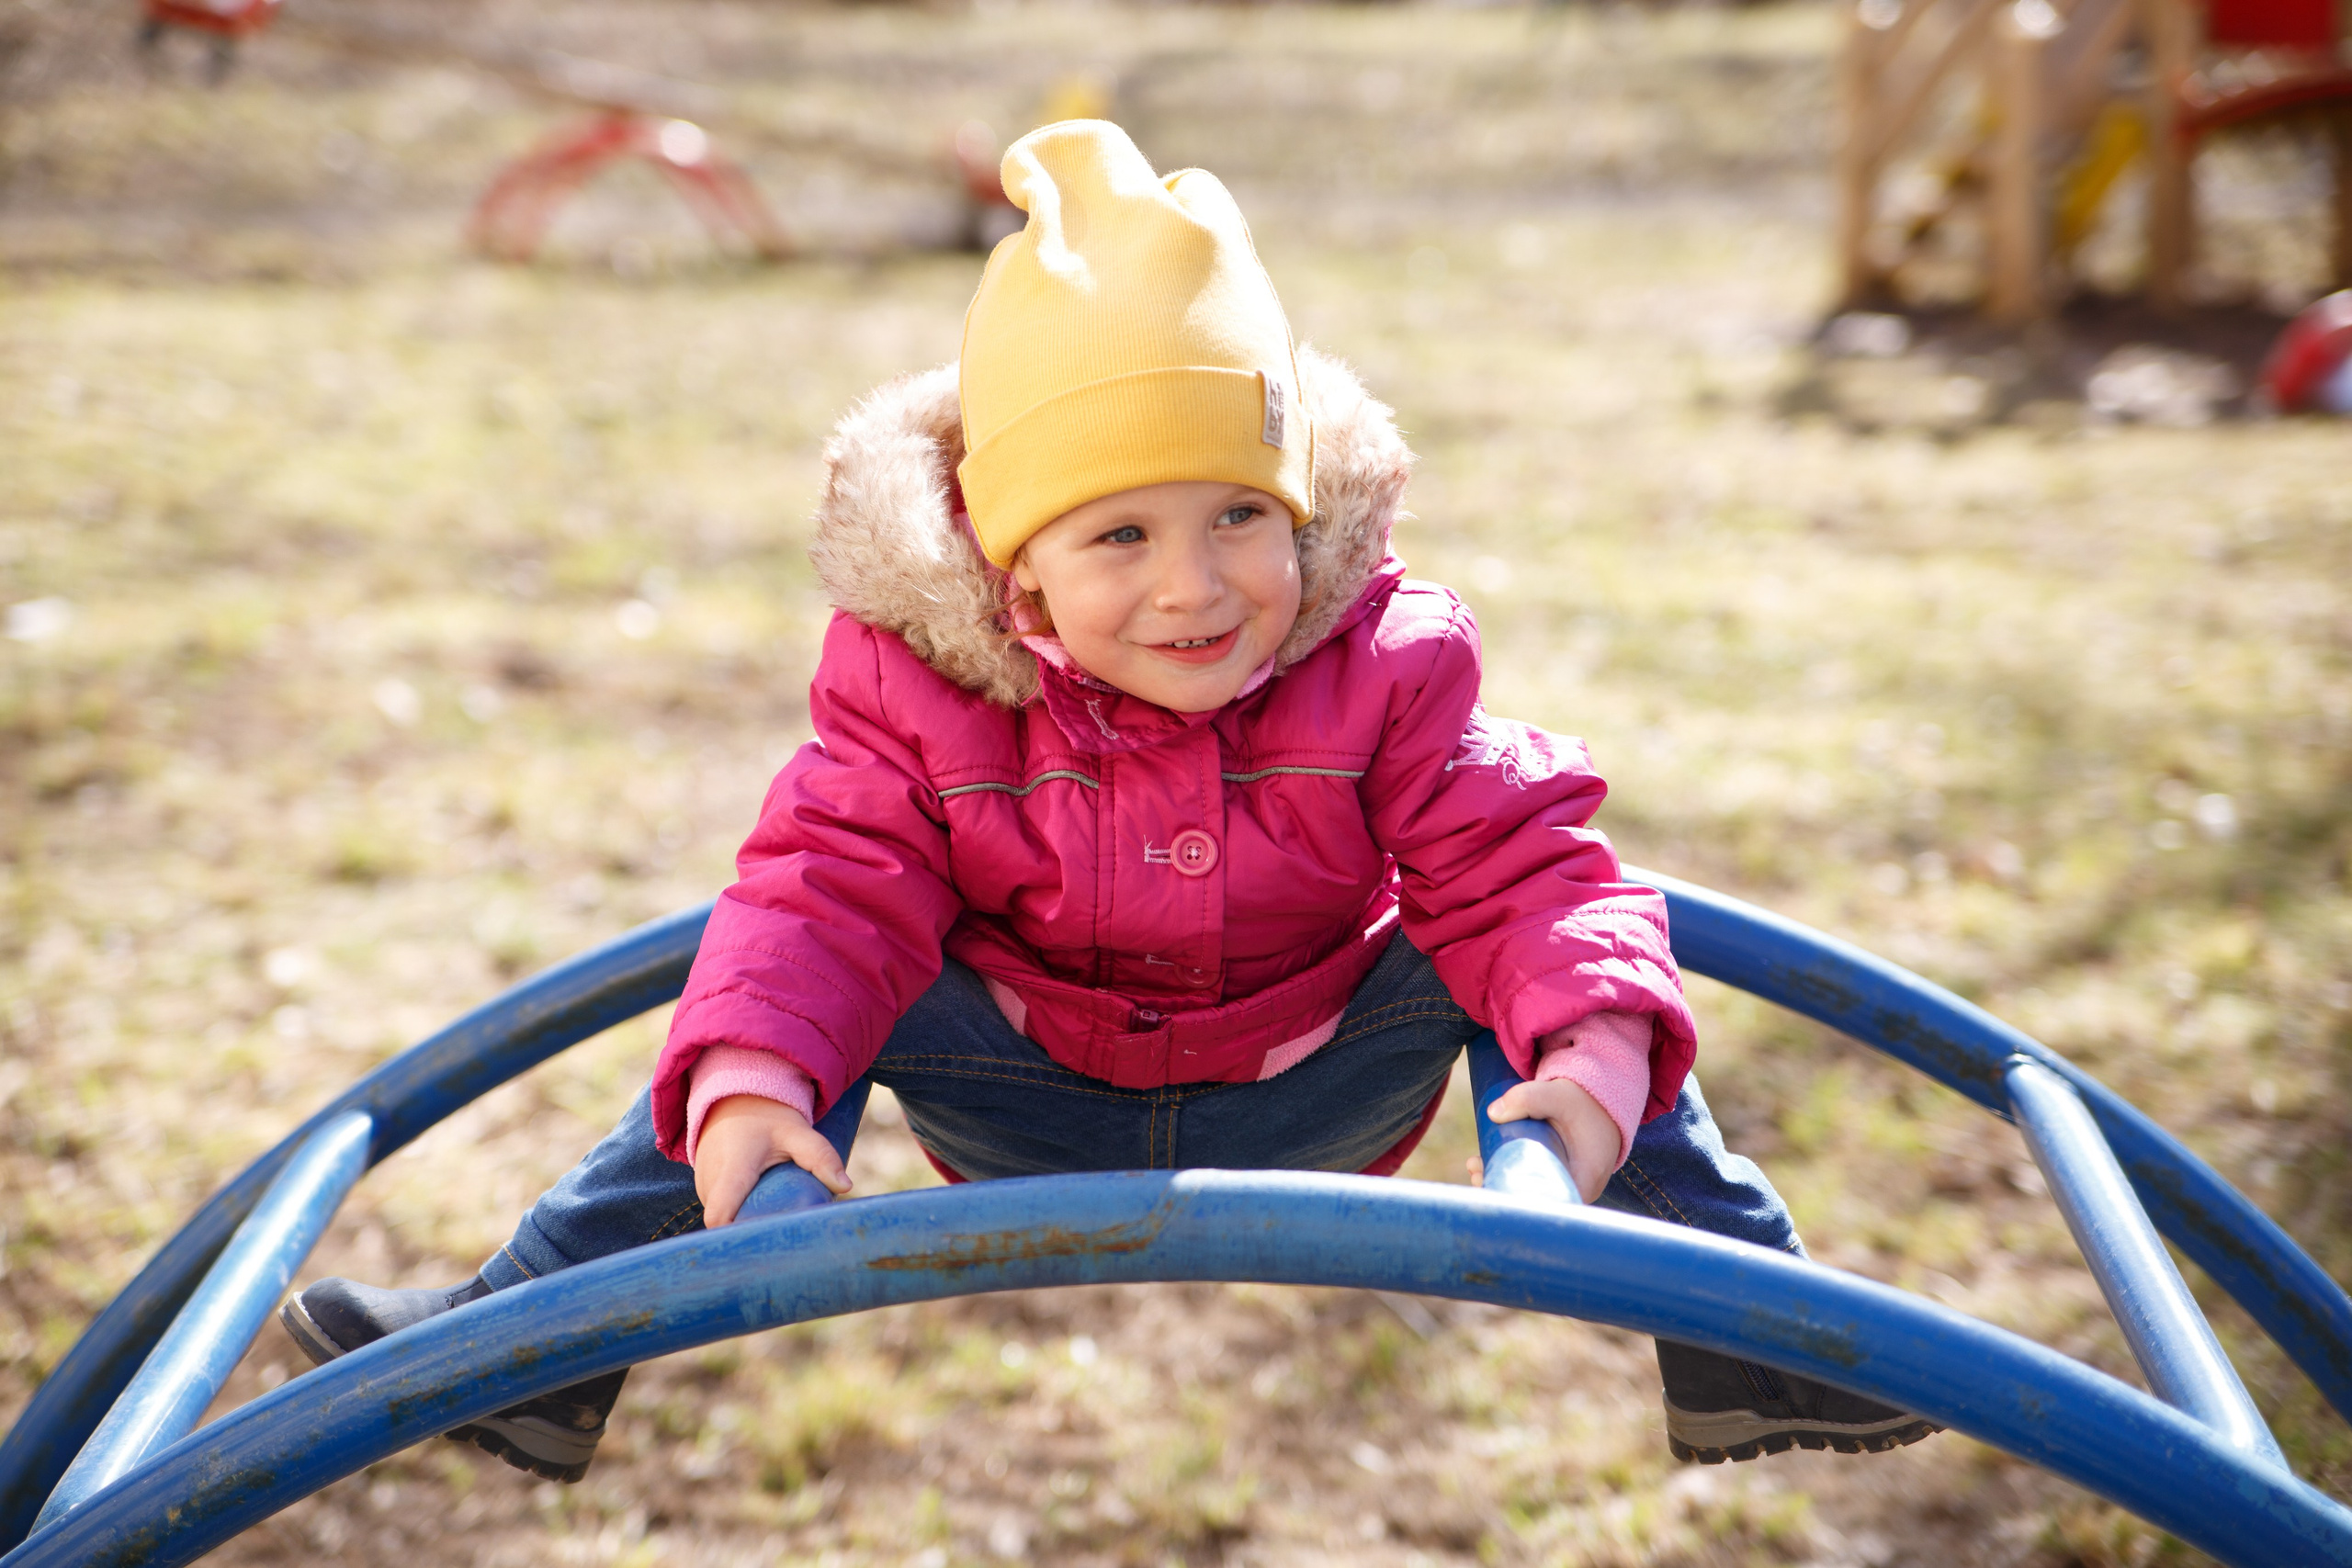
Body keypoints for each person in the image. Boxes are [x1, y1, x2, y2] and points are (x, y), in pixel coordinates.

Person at [280, 119, 1936, 1483]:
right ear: (1013, 575)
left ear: (1301, 508)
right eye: (1119, 538)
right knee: (789, 969)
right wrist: (758, 1090)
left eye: (1238, 514)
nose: (1197, 587)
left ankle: (1749, 1334)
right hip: (1023, 1090)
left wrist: (1577, 1067)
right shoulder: (918, 685)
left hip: (1315, 1086)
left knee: (1548, 940)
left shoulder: (1385, 657)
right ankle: (531, 1347)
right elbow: (829, 884)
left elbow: (1519, 865)